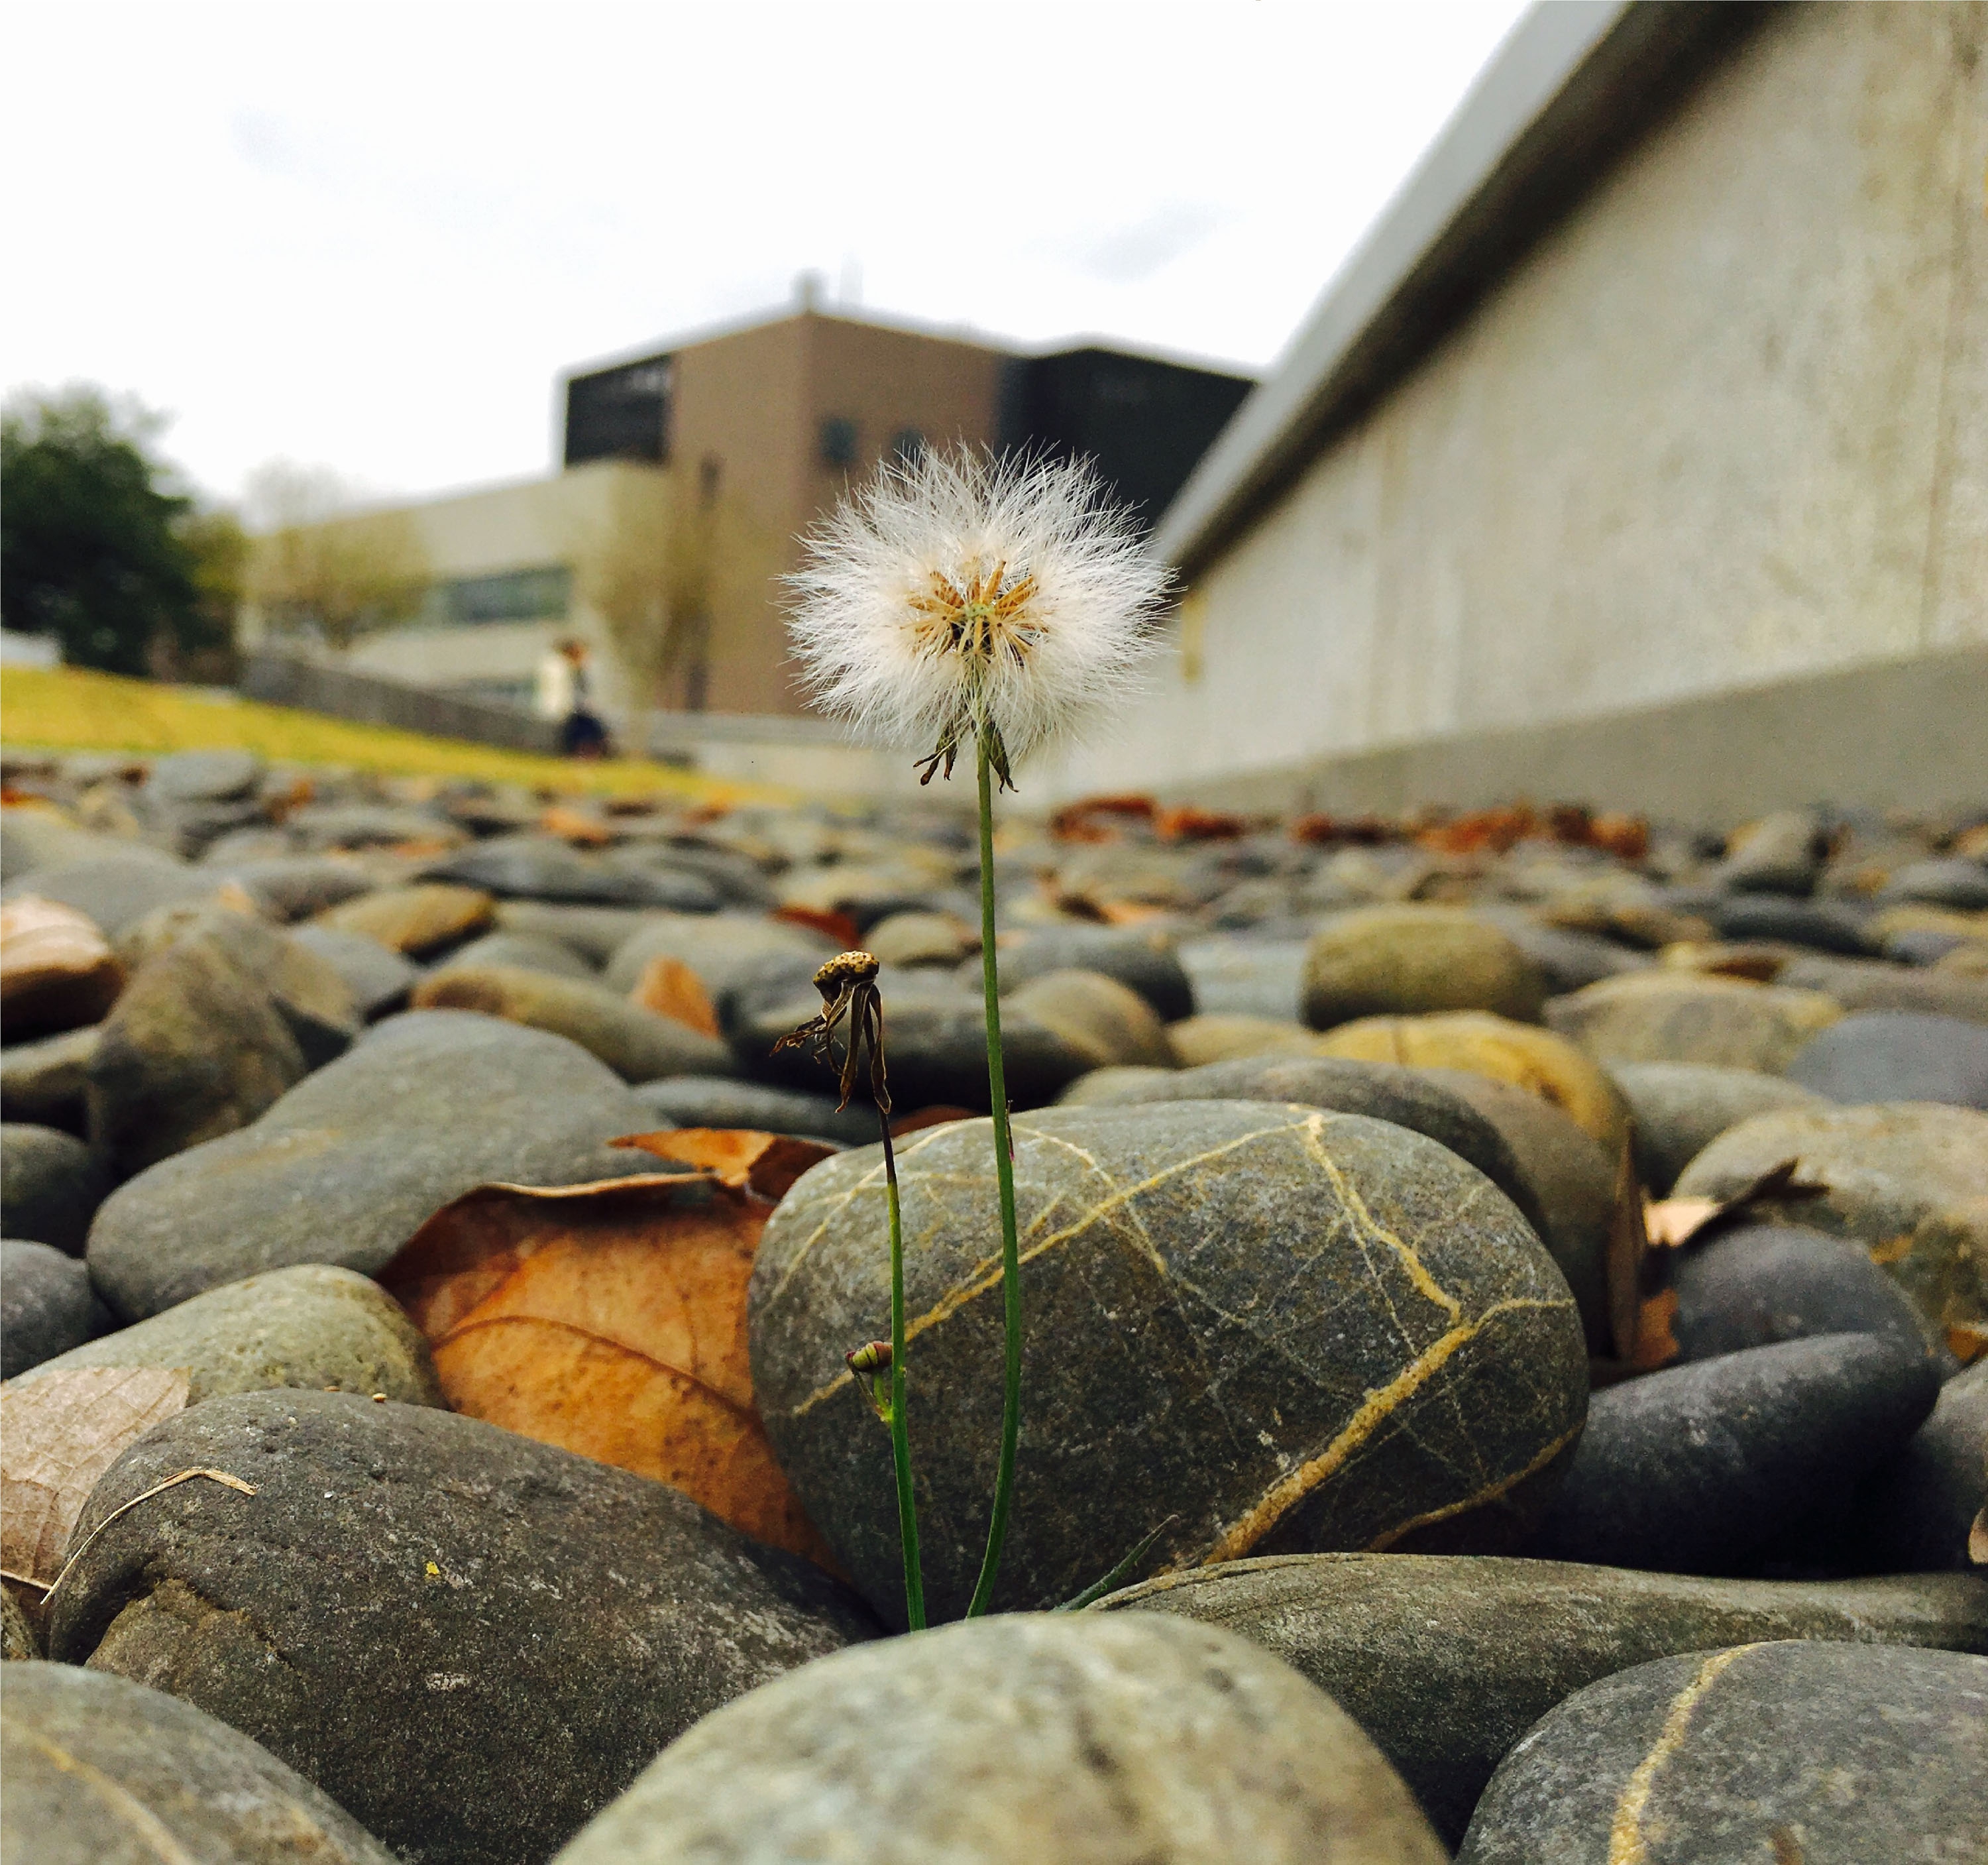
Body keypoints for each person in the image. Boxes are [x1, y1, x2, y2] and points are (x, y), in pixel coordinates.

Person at [534, 637, 610, 758]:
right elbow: (561, 693)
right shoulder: (558, 667)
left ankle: (589, 753)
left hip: (578, 711)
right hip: (565, 711)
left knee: (592, 728)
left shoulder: (579, 670)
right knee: (584, 729)